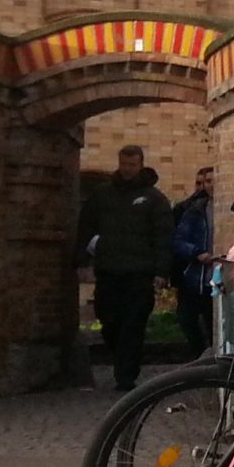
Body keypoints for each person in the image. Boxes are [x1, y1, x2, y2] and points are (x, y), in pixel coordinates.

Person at [75, 144, 174, 390]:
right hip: (108, 270)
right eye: (124, 164)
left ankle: (126, 376)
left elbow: (163, 236)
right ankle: (121, 360)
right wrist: (82, 261)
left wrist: (161, 272)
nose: (127, 169)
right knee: (108, 320)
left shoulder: (154, 198)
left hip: (140, 273)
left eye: (132, 165)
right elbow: (86, 227)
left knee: (133, 324)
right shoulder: (102, 195)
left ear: (140, 164)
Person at [169, 166, 216, 360]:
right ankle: (200, 356)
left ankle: (212, 358)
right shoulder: (195, 210)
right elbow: (178, 240)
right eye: (206, 182)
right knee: (187, 318)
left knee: (214, 323)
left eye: (211, 181)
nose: (208, 186)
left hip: (219, 278)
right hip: (197, 276)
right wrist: (196, 253)